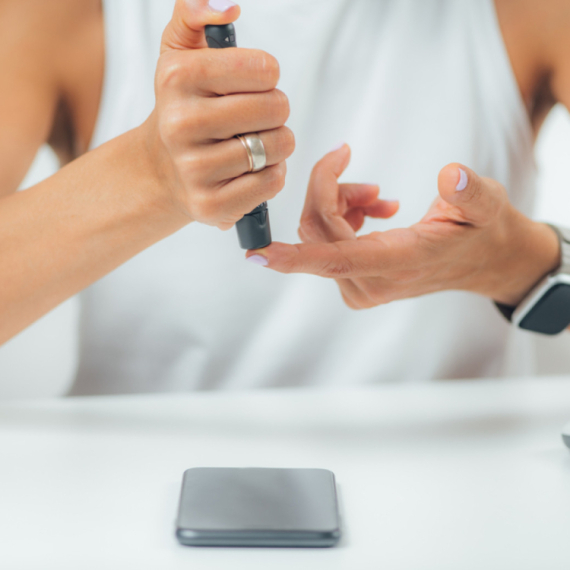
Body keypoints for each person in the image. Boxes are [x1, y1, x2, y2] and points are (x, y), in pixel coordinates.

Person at [0, 0, 567, 393]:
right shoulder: (61, 15)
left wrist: (518, 263)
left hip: (454, 488)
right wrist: (149, 176)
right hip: (128, 487)